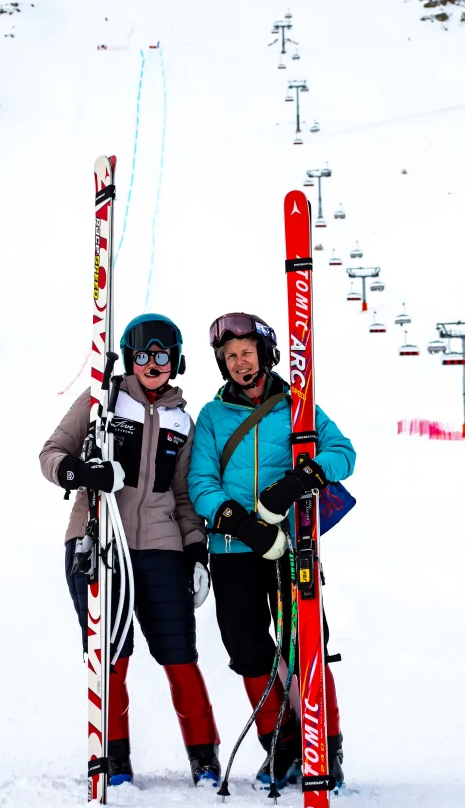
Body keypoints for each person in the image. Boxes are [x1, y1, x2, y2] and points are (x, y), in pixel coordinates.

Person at [39, 313, 220, 787]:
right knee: (110, 653)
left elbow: (182, 496)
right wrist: (84, 473)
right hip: (99, 539)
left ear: (176, 360)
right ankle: (113, 759)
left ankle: (204, 757)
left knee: (180, 652)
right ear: (131, 360)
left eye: (162, 356)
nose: (152, 364)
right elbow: (52, 453)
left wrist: (197, 551)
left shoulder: (184, 420)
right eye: (142, 355)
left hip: (162, 548)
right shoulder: (103, 400)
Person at [187, 312, 356, 790]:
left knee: (304, 645)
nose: (241, 363)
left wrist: (298, 482)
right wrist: (240, 523)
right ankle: (280, 748)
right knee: (248, 648)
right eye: (231, 357)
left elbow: (343, 453)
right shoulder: (213, 416)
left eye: (247, 353)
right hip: (233, 549)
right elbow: (201, 482)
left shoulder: (297, 407)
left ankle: (326, 746)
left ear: (265, 354)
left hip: (292, 546)